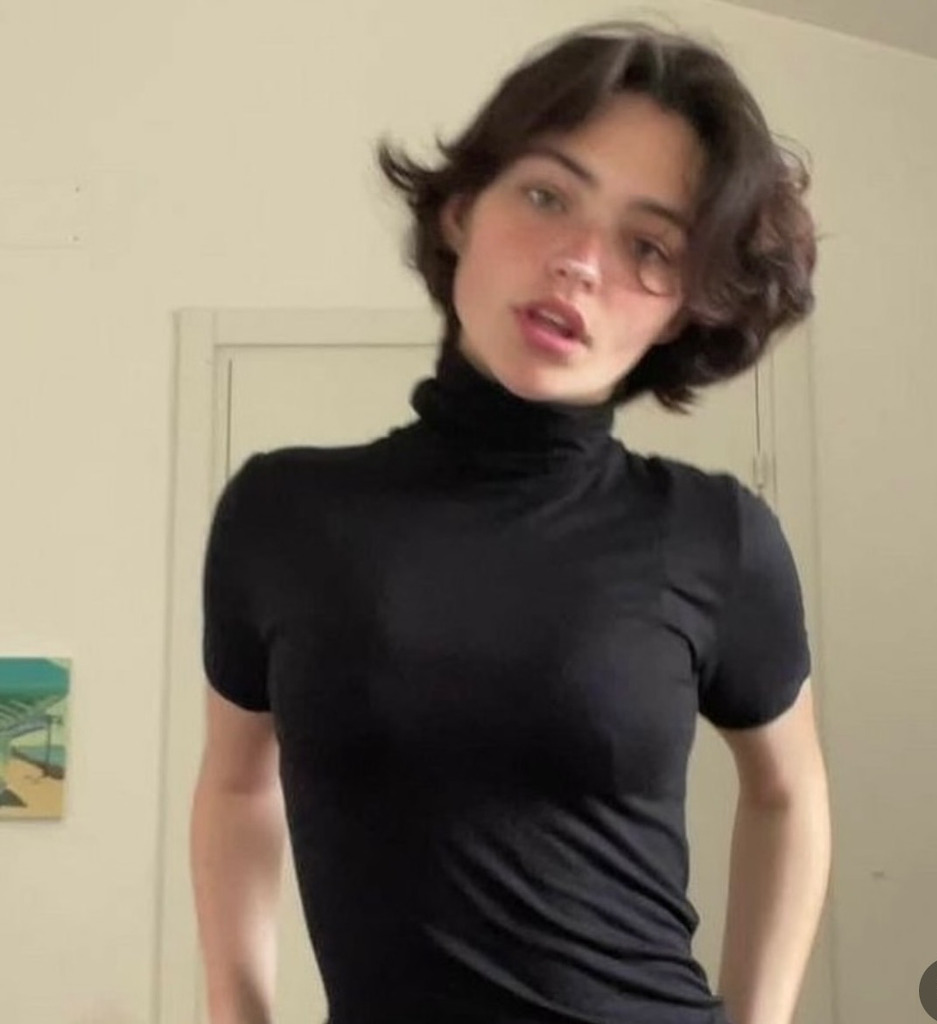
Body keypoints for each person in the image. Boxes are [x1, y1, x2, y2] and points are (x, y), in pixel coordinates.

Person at [191, 19, 832, 1024]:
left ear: (681, 309)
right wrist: (238, 1011)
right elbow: (236, 785)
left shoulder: (719, 536)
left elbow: (788, 792)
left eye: (648, 246)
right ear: (460, 211)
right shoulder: (282, 515)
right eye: (546, 196)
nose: (579, 261)